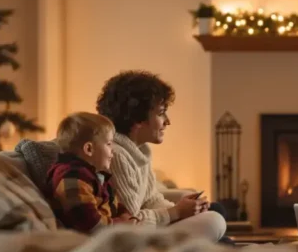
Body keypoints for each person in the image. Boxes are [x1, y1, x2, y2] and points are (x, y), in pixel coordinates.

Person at [96, 70, 226, 242]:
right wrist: (176, 212)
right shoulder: (117, 156)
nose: (167, 121)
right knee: (214, 220)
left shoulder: (140, 151)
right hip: (132, 239)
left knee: (214, 213)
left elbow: (151, 199)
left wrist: (185, 211)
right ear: (138, 119)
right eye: (161, 113)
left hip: (150, 228)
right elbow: (130, 223)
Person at [46, 112, 138, 234]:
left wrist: (129, 217)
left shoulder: (95, 177)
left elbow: (115, 206)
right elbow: (91, 226)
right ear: (89, 149)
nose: (113, 150)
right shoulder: (71, 178)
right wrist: (124, 225)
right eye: (109, 144)